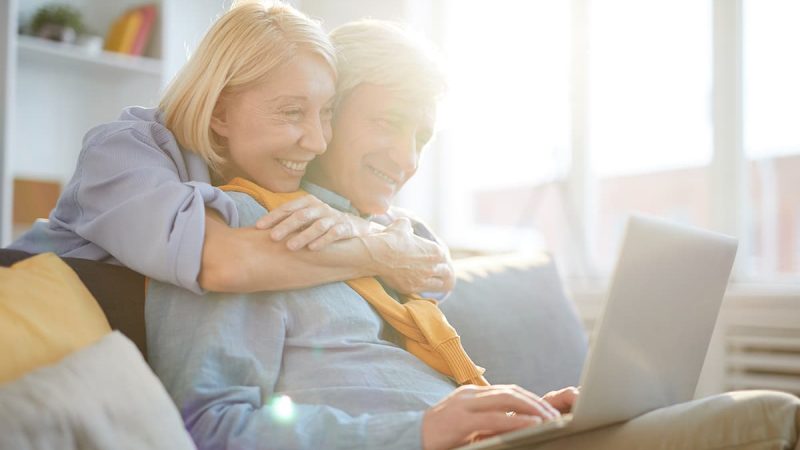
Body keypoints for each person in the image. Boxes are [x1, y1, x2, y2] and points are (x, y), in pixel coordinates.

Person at [147, 18, 800, 450]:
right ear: (325, 111)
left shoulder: (394, 247)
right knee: (765, 417)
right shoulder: (240, 232)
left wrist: (523, 414)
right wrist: (420, 429)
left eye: (422, 137)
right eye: (390, 124)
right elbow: (207, 425)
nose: (407, 159)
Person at [6, 1, 454, 299]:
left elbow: (428, 263)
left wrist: (373, 237)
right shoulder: (123, 151)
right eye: (293, 111)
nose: (318, 140)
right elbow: (223, 263)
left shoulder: (279, 176)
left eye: (324, 113)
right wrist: (382, 254)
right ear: (220, 112)